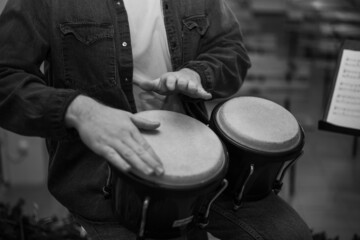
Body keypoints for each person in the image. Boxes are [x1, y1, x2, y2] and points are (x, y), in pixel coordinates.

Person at [0, 0, 250, 239]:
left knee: (286, 231)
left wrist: (197, 73)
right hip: (103, 181)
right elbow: (5, 75)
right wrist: (80, 110)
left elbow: (232, 52)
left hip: (198, 165)